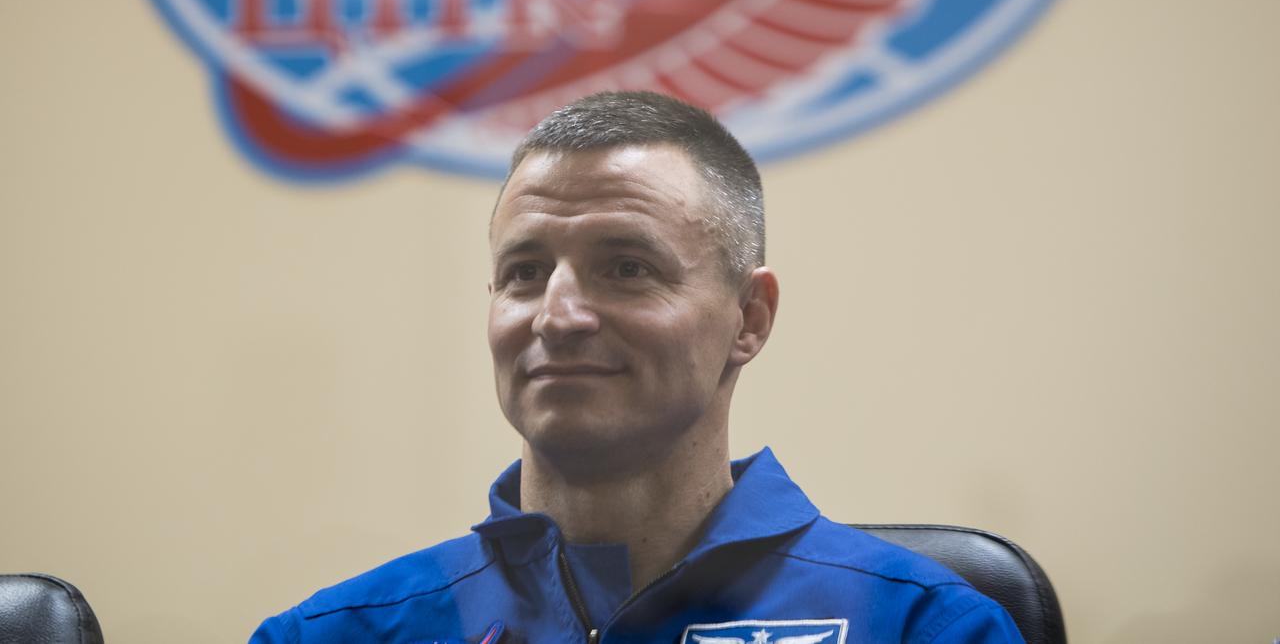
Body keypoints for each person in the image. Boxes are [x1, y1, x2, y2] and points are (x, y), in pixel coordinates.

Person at [250, 91, 1025, 644]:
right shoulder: (332, 633)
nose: (555, 315)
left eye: (626, 267)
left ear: (749, 318)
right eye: (524, 272)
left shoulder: (923, 625)